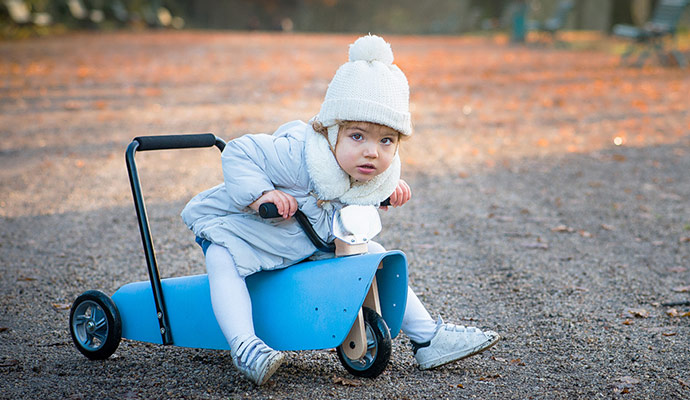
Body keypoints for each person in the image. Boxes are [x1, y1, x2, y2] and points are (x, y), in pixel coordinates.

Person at [181, 34, 499, 385]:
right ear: (331, 132)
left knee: (373, 255)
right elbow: (238, 152)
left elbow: (358, 192)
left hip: (305, 241)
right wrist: (262, 195)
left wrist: (384, 193)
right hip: (247, 230)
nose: (372, 152)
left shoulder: (363, 168)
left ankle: (427, 338)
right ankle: (245, 346)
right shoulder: (296, 155)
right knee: (223, 259)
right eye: (358, 136)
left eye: (386, 141)